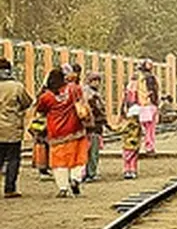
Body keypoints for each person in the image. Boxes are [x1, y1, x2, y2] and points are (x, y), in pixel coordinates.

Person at [35, 65, 89, 197]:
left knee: (59, 161)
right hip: (76, 129)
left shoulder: (46, 96)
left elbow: (40, 110)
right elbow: (82, 102)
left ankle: (63, 188)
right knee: (79, 157)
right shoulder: (74, 89)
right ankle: (75, 179)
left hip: (56, 132)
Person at [0, 57, 33, 198]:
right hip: (13, 127)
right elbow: (27, 102)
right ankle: (10, 188)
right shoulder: (16, 87)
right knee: (13, 159)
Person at [83, 70, 108, 182]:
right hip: (94, 127)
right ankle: (91, 173)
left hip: (86, 127)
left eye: (98, 81)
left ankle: (86, 173)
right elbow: (98, 111)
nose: (96, 83)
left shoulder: (85, 92)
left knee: (87, 151)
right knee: (93, 152)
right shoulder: (93, 96)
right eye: (94, 80)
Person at [137, 59, 160, 154]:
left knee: (145, 127)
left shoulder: (137, 77)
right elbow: (153, 91)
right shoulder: (150, 77)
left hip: (141, 104)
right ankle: (149, 146)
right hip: (149, 104)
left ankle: (145, 145)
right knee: (150, 128)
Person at [120, 103, 143, 179]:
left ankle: (127, 171)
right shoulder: (138, 123)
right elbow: (140, 133)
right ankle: (133, 171)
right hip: (135, 143)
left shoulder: (127, 123)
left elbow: (122, 130)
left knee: (126, 159)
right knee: (133, 159)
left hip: (127, 144)